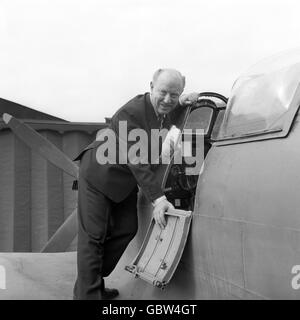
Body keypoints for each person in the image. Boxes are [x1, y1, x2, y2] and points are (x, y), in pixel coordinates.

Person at [73, 68, 200, 300]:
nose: (167, 99)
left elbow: (169, 112)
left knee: (127, 228)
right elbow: (137, 160)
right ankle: (88, 294)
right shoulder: (129, 113)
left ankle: (89, 281)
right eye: (163, 92)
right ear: (151, 86)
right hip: (99, 175)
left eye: (175, 94)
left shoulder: (164, 108)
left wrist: (182, 102)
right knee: (94, 237)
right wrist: (159, 200)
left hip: (124, 180)